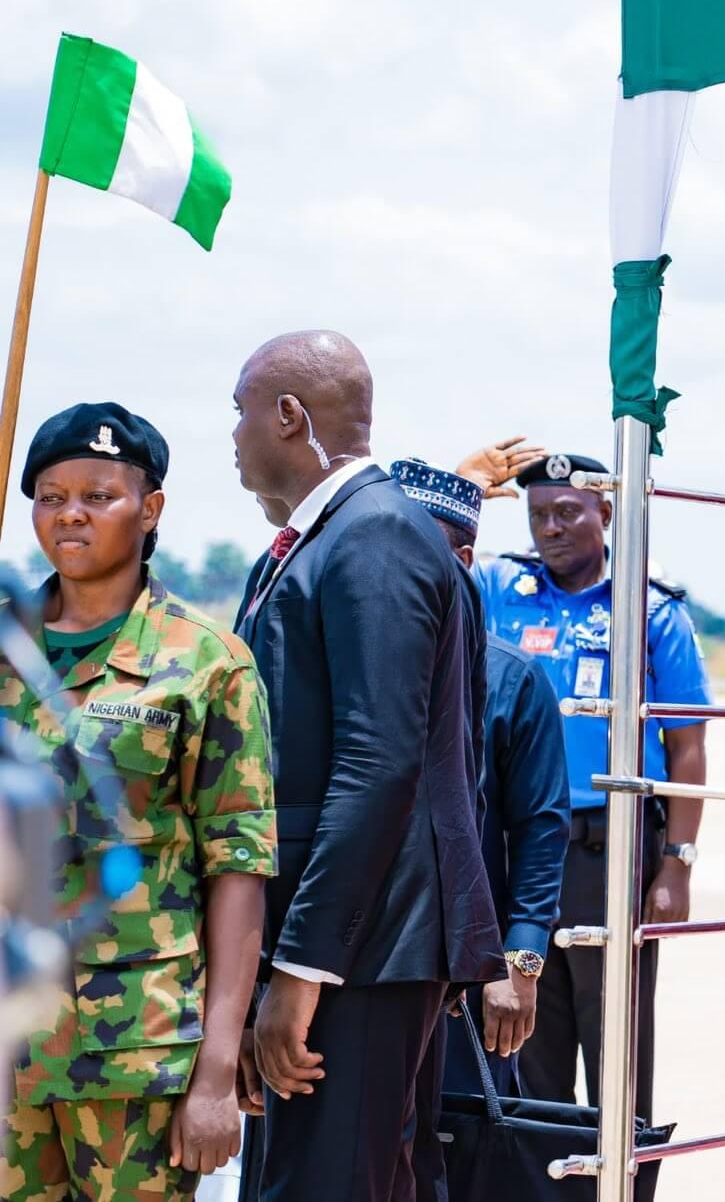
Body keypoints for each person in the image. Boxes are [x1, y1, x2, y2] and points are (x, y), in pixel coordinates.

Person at [231, 331, 500, 1202]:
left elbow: (378, 764)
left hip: (361, 948)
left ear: (288, 416)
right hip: (348, 940)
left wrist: (301, 968)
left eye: (240, 412)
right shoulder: (327, 538)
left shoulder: (374, 535)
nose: (232, 435)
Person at [0, 403, 275, 1201]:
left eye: (98, 496)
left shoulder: (208, 663)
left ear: (150, 509)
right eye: (51, 497)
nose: (71, 515)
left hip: (134, 1051)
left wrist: (216, 1073)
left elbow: (238, 867)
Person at [454, 440, 709, 1112]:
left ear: (605, 513)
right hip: (514, 848)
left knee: (616, 1042)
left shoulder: (649, 610)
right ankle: (541, 1170)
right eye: (539, 515)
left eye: (568, 512)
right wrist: (465, 491)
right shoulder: (499, 591)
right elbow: (429, 572)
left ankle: (623, 1167)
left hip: (610, 851)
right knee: (523, 1043)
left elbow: (687, 747)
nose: (552, 528)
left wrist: (677, 865)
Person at [390, 460, 571, 1096]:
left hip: (471, 971)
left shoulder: (513, 680)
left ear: (463, 561)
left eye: (420, 551)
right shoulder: (350, 665)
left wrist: (519, 962)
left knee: (462, 1135)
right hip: (368, 965)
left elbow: (540, 831)